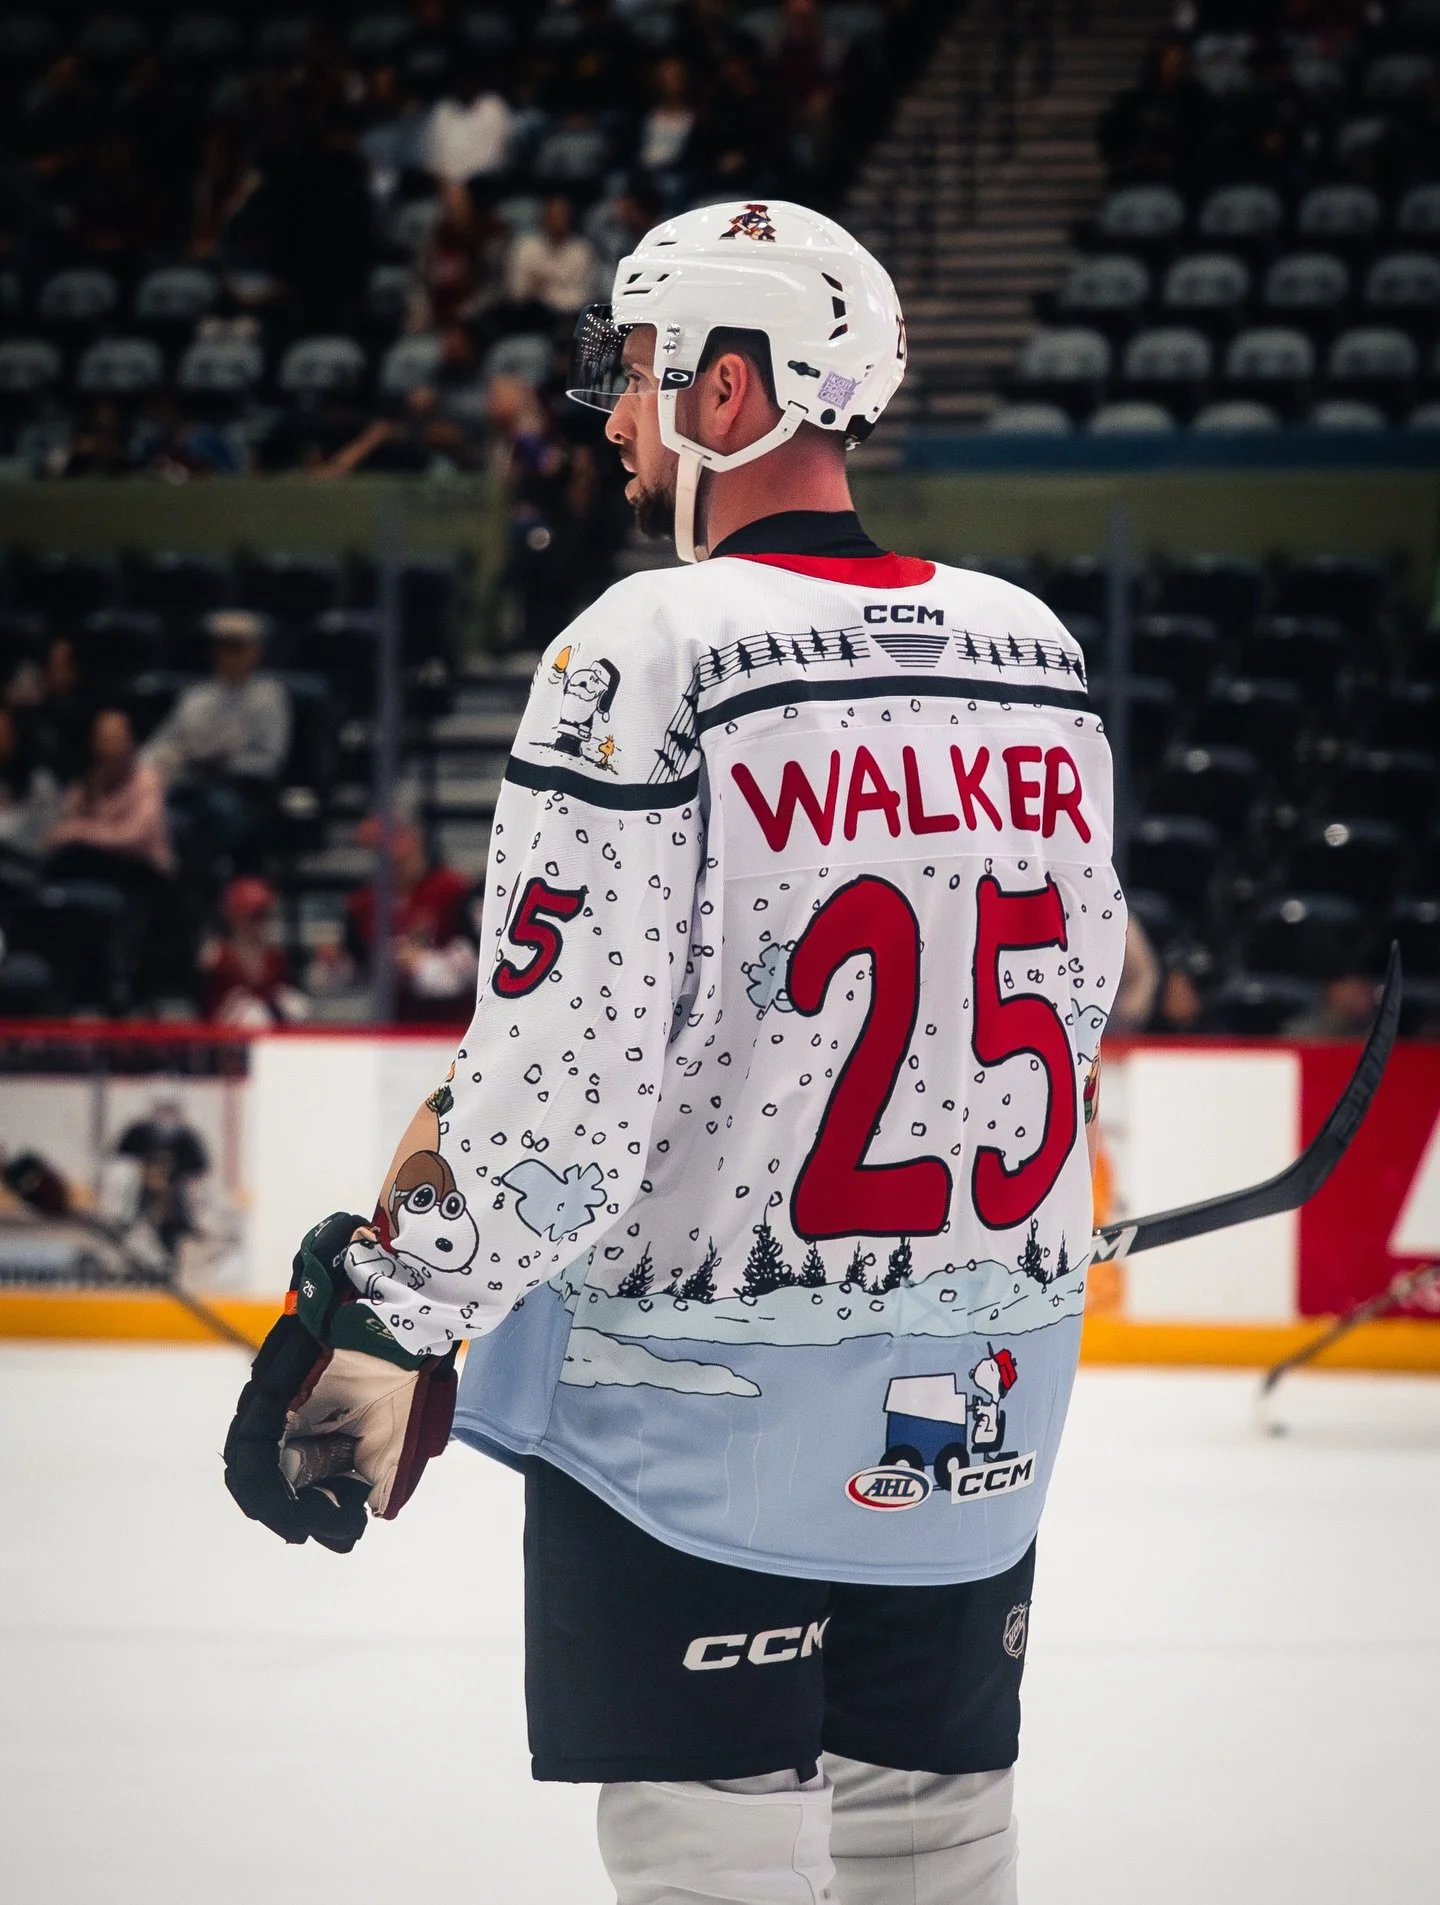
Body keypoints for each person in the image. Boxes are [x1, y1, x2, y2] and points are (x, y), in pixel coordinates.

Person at [224, 203, 1126, 1905]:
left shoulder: (643, 653)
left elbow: (557, 1099)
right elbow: (1065, 1014)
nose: (614, 420)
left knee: (716, 1866)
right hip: (983, 1422)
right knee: (935, 1851)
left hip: (695, 1442)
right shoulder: (1034, 651)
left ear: (733, 389)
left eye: (638, 374)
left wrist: (384, 1317)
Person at [344, 818, 478, 1021]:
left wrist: (422, 965)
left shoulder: (453, 889)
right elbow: (357, 964)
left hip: (452, 1021)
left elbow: (476, 962)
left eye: (396, 838)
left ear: (414, 839)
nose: (390, 853)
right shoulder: (364, 901)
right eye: (377, 848)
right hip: (397, 1021)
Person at [199, 875, 309, 1027]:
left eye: (264, 916)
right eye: (254, 916)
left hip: (266, 1024)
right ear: (235, 915)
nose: (260, 923)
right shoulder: (216, 953)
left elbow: (284, 998)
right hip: (224, 1028)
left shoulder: (275, 956)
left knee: (295, 1005)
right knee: (252, 1014)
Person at [506, 194, 598, 319]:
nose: (557, 221)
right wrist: (558, 285)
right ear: (543, 218)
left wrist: (542, 284)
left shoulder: (582, 250)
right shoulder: (525, 247)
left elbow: (581, 297)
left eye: (562, 216)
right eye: (553, 216)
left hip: (569, 316)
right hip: (529, 313)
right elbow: (518, 291)